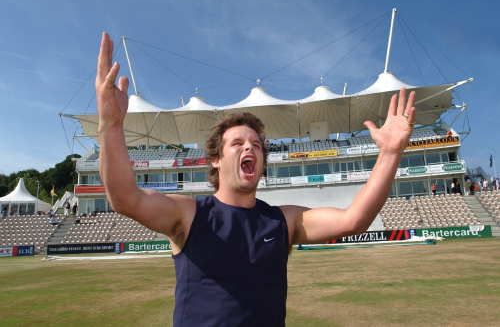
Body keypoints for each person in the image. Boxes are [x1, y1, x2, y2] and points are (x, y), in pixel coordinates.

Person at [95, 32, 417, 326]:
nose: (250, 146)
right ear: (216, 161)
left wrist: (389, 153)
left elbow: (353, 220)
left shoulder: (283, 221)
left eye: (257, 145)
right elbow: (125, 198)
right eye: (237, 143)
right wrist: (111, 125)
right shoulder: (190, 214)